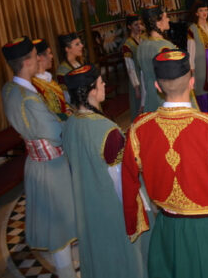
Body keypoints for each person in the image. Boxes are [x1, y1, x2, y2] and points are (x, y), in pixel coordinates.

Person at [122, 49, 208, 278]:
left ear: (157, 86)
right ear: (192, 82)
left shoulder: (138, 129)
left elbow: (128, 180)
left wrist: (134, 220)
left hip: (167, 230)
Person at [62, 64, 148, 278]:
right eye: (101, 82)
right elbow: (120, 180)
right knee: (122, 256)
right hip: (111, 207)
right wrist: (137, 208)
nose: (105, 84)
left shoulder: (70, 124)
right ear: (91, 91)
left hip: (85, 205)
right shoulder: (107, 131)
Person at [1, 37, 77, 278]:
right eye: (35, 56)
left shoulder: (10, 89)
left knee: (55, 222)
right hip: (51, 167)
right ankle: (67, 273)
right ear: (27, 62)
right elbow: (55, 132)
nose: (39, 60)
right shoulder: (30, 99)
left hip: (35, 161)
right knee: (60, 228)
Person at [137, 5, 176, 113]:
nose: (168, 19)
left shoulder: (142, 46)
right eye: (166, 17)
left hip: (150, 97)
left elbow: (143, 78)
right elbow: (173, 77)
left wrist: (143, 102)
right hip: (164, 98)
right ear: (158, 23)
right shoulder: (164, 47)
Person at [31, 38, 72, 121]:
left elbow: (62, 103)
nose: (52, 56)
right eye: (49, 53)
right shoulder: (34, 85)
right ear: (39, 58)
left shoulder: (49, 79)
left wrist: (69, 110)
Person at [122, 15, 145, 119]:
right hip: (137, 79)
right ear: (129, 27)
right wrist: (136, 87)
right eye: (136, 25)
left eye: (140, 24)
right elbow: (130, 68)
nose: (139, 27)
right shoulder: (128, 45)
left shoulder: (143, 39)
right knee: (138, 108)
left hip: (145, 76)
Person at [56, 32, 84, 96]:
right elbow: (66, 94)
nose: (82, 45)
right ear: (67, 49)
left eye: (80, 43)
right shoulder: (62, 70)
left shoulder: (79, 62)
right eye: (77, 44)